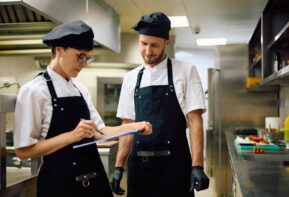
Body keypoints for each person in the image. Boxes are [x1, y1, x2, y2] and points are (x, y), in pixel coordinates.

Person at [13, 20, 152, 197]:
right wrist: (73, 136)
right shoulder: (34, 91)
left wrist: (133, 127)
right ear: (59, 50)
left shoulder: (80, 89)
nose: (84, 64)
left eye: (88, 58)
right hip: (59, 185)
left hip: (93, 182)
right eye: (80, 56)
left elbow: (99, 132)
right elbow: (23, 151)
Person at [110, 12, 209, 197]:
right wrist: (118, 168)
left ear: (166, 42)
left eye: (154, 45)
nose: (148, 51)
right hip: (140, 169)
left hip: (175, 168)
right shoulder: (131, 78)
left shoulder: (186, 70)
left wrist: (197, 165)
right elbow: (127, 126)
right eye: (143, 44)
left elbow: (195, 120)